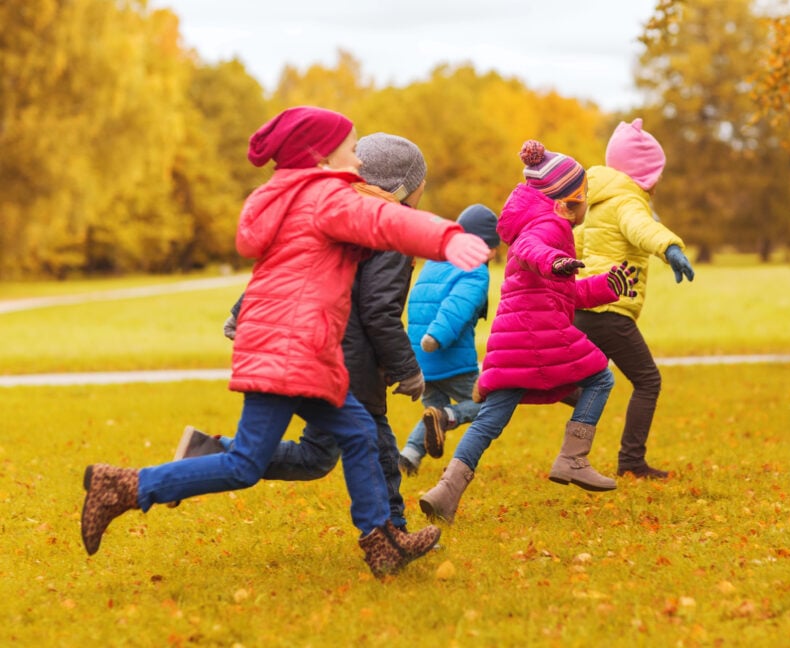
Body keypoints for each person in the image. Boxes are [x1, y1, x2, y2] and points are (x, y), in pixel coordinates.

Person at [79, 106, 490, 578]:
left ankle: (383, 542)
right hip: (292, 351)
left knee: (355, 435)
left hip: (304, 351)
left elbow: (286, 265)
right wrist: (447, 238)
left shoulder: (299, 199)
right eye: (351, 149)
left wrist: (242, 314)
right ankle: (126, 486)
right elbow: (390, 224)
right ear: (322, 158)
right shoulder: (330, 199)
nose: (358, 160)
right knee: (246, 464)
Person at [173, 132, 432, 532]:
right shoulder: (391, 230)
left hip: (319, 347)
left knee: (316, 456)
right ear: (401, 190)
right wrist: (407, 369)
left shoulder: (329, 212)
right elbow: (380, 311)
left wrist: (241, 313)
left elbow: (291, 266)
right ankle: (391, 531)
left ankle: (206, 453)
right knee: (376, 442)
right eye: (419, 189)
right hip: (349, 359)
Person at [418, 140, 638, 523]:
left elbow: (566, 294)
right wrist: (557, 261)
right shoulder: (548, 227)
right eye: (584, 196)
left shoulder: (537, 225)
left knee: (489, 419)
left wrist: (607, 285)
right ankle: (572, 459)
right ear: (564, 201)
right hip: (540, 333)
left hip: (515, 339)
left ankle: (445, 492)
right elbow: (534, 253)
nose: (587, 202)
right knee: (601, 378)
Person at [573, 118, 695, 480]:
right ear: (646, 175)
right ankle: (631, 462)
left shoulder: (596, 202)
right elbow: (641, 229)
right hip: (611, 310)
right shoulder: (627, 201)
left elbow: (577, 243)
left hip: (584, 307)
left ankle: (571, 442)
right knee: (647, 381)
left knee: (590, 380)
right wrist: (670, 247)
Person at [398, 204, 501, 476]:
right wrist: (437, 337)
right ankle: (450, 417)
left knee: (433, 409)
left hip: (422, 361)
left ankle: (408, 455)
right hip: (449, 356)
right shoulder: (474, 270)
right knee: (490, 404)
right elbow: (456, 307)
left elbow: (420, 303)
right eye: (493, 245)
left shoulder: (434, 263)